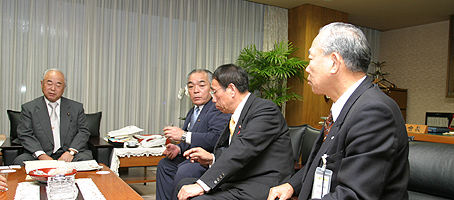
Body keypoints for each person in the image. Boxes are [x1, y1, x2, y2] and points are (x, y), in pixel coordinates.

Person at [267, 22, 409, 200]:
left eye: (311, 59)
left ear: (334, 62)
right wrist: (291, 185)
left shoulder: (374, 112)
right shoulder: (346, 105)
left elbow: (354, 195)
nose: (307, 68)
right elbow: (320, 164)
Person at [176, 64, 294, 200]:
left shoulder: (265, 110)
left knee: (198, 198)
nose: (213, 99)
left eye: (215, 92)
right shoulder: (237, 114)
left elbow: (242, 149)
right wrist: (212, 158)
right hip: (240, 178)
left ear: (231, 89)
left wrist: (202, 185)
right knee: (183, 184)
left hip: (262, 183)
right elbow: (230, 148)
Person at [156, 69, 230, 200]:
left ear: (212, 88)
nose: (196, 90)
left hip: (207, 159)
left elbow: (216, 138)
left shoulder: (216, 108)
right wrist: (178, 148)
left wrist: (183, 135)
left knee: (185, 170)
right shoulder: (193, 111)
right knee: (165, 165)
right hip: (191, 157)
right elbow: (191, 140)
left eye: (202, 85)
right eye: (191, 86)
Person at [13, 69, 93, 165]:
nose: (53, 88)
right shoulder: (29, 108)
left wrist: (71, 152)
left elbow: (84, 131)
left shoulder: (76, 108)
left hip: (69, 154)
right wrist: (41, 155)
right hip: (39, 154)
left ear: (64, 88)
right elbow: (25, 134)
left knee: (86, 160)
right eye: (49, 83)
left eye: (58, 85)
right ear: (42, 84)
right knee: (20, 161)